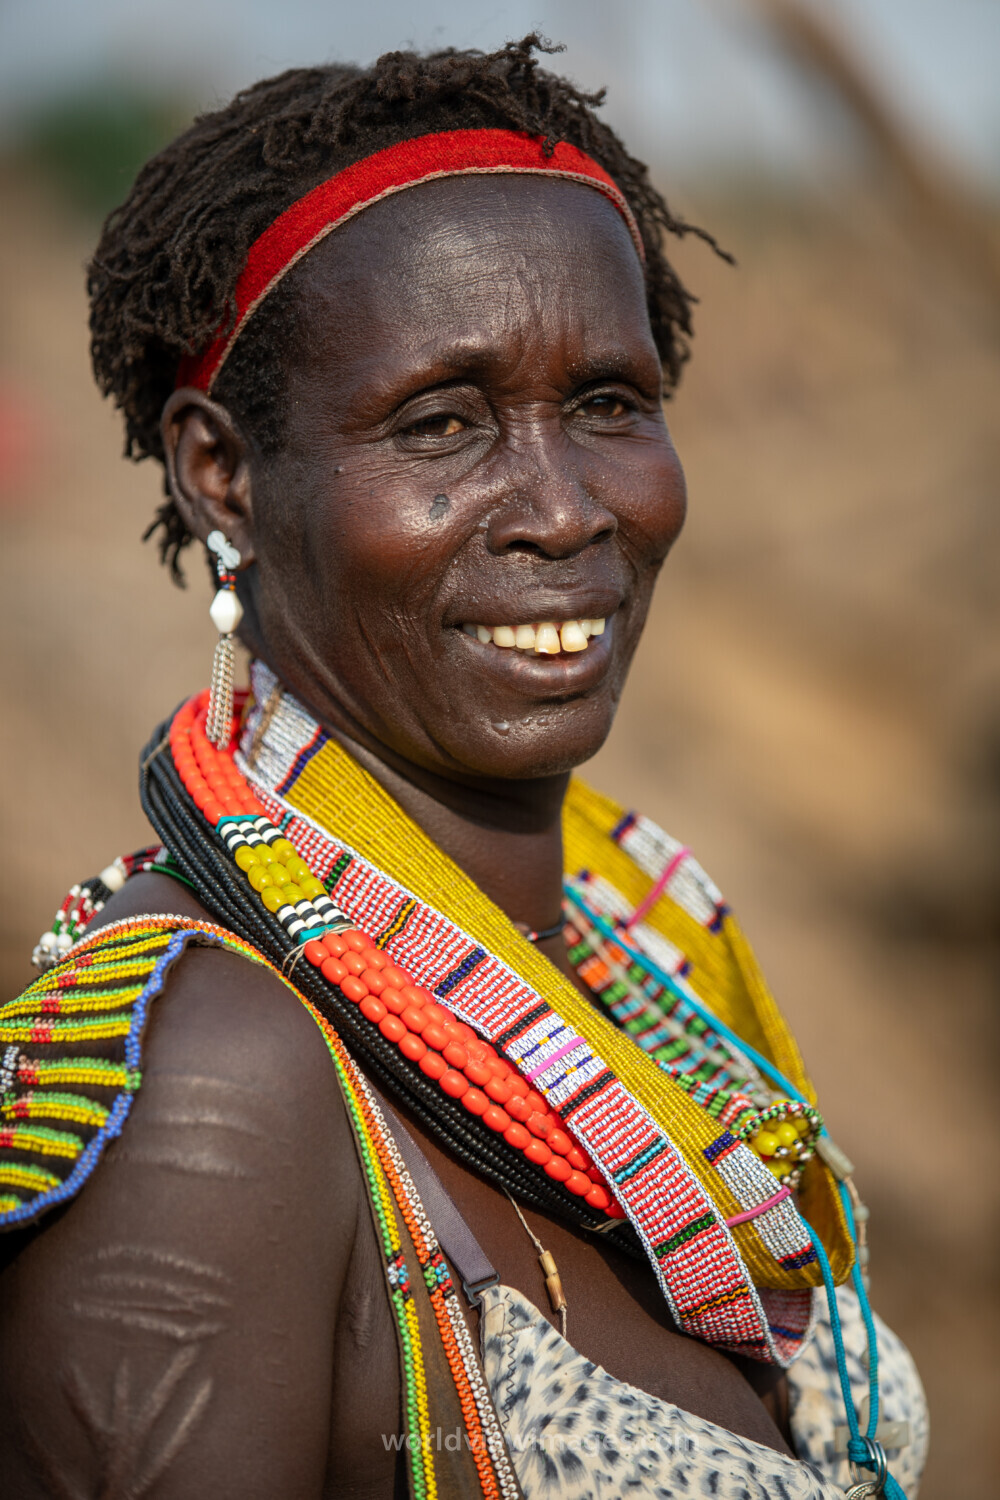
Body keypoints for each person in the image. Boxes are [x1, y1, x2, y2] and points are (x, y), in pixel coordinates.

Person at [0, 37, 926, 1500]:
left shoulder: (638, 952)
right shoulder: (214, 1087)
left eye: (612, 403)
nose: (565, 510)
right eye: (443, 421)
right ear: (220, 472)